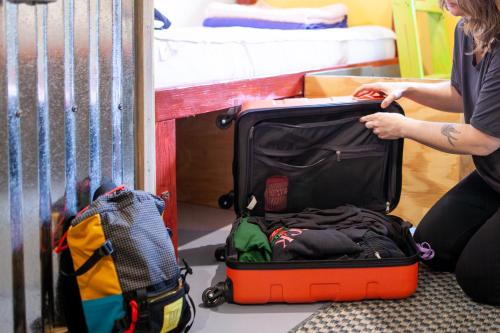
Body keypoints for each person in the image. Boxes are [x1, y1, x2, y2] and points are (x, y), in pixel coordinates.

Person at [352, 0, 500, 306]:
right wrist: (406, 88)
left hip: (490, 155)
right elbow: (460, 94)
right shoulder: (468, 27)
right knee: (430, 247)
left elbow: (481, 140)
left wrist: (403, 126)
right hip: (493, 178)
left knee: (479, 280)